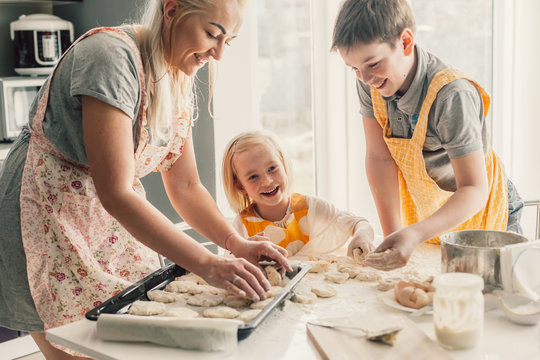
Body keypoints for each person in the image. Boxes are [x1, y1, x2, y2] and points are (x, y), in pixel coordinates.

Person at [0, 0, 292, 358]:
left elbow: (186, 187)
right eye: (212, 34)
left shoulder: (176, 75)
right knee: (79, 350)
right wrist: (207, 263)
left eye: (227, 41)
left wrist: (235, 243)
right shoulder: (109, 58)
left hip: (103, 224)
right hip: (45, 221)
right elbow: (117, 192)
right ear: (171, 11)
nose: (217, 54)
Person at [331, 0, 523, 271]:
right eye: (353, 69)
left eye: (372, 64)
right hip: (433, 210)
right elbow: (379, 158)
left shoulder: (451, 95)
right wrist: (393, 237)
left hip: (482, 208)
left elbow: (474, 188)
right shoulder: (371, 81)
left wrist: (415, 233)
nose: (363, 78)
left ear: (406, 41)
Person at [221, 130, 375, 258]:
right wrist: (240, 253)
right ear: (240, 186)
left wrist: (362, 236)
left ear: (283, 163)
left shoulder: (309, 207)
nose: (267, 181)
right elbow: (229, 263)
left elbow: (359, 223)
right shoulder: (242, 225)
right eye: (253, 177)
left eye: (272, 168)